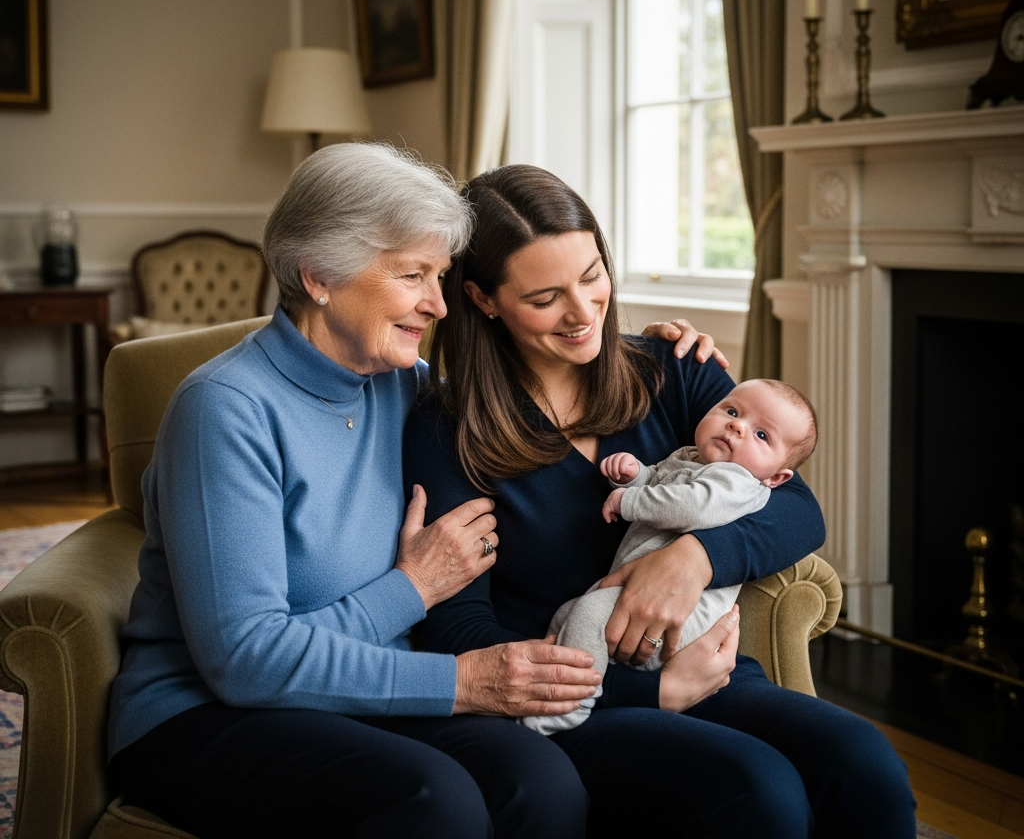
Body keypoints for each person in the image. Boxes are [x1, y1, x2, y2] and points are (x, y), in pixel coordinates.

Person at [106, 144, 609, 839]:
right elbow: (244, 661)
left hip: (363, 692)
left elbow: (529, 393)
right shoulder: (225, 409)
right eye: (413, 275)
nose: (436, 302)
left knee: (541, 781)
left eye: (439, 275)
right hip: (203, 716)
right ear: (319, 275)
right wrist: (418, 598)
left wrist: (669, 364)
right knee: (435, 802)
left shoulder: (405, 381)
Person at [404, 164, 918, 839]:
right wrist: (653, 690)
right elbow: (462, 633)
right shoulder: (450, 430)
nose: (584, 313)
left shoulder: (676, 369)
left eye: (592, 276)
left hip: (715, 671)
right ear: (484, 298)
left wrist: (697, 558)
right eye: (546, 297)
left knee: (865, 763)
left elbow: (797, 509)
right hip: (572, 707)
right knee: (758, 789)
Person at [522, 378, 817, 735]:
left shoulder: (736, 482)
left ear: (777, 477)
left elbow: (691, 505)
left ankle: (568, 710)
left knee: (586, 615)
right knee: (569, 617)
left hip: (685, 622)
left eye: (761, 435)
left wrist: (628, 502)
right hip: (637, 597)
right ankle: (556, 688)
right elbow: (660, 482)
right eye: (732, 411)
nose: (737, 426)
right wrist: (633, 477)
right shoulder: (687, 457)